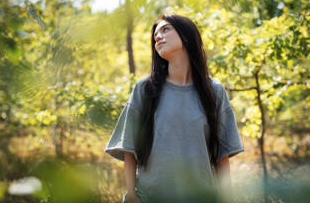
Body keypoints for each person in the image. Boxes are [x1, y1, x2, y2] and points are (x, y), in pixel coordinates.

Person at [104, 14, 245, 203]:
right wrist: (132, 195)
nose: (157, 37)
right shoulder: (145, 88)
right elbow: (129, 146)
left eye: (165, 29)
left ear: (186, 36)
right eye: (155, 36)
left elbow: (222, 156)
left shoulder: (214, 91)